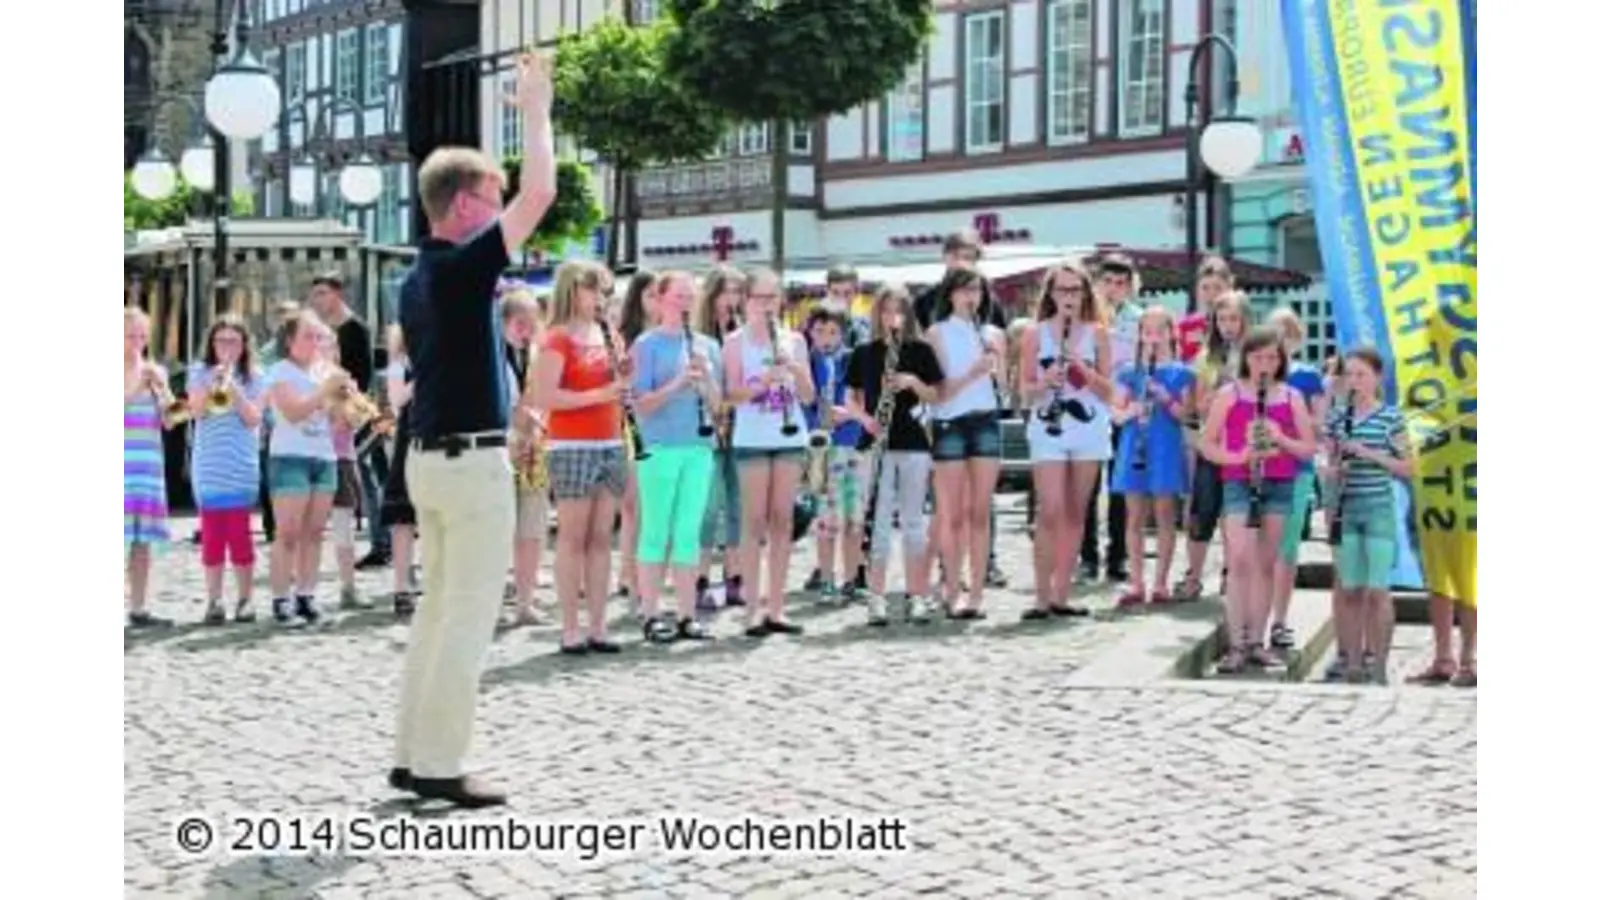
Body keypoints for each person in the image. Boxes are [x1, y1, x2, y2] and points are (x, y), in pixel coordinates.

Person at [389, 50, 557, 808]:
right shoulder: (460, 270)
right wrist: (536, 108)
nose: (501, 211)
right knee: (468, 616)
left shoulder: (414, 278)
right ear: (461, 205)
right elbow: (543, 191)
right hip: (467, 465)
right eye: (492, 198)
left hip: (433, 458)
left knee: (436, 612)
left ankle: (410, 753)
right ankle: (440, 763)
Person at [1201, 326, 1316, 674]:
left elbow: (1309, 448)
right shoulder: (1229, 393)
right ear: (1246, 359)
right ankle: (1236, 643)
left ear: (1280, 360)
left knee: (1266, 564)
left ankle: (1257, 642)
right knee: (1238, 561)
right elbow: (1207, 443)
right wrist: (1239, 457)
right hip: (1240, 481)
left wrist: (1280, 438)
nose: (1265, 364)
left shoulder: (1291, 396)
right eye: (1258, 357)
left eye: (1271, 357)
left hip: (1279, 481)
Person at [532, 261, 626, 654]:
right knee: (573, 537)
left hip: (610, 440)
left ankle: (599, 625)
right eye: (595, 291)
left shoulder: (609, 335)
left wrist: (622, 380)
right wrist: (597, 396)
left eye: (605, 292)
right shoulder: (557, 338)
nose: (601, 300)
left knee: (603, 538)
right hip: (571, 445)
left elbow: (615, 387)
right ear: (574, 291)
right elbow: (545, 397)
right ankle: (570, 625)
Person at [913, 229, 1010, 592]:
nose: (973, 295)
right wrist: (969, 373)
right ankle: (945, 573)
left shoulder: (991, 321)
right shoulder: (928, 311)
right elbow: (934, 382)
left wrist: (997, 367)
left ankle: (986, 565)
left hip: (984, 417)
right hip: (948, 418)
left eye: (970, 257)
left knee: (981, 506)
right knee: (947, 506)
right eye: (957, 255)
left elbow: (1004, 384)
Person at [630, 270, 722, 642]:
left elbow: (718, 406)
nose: (684, 302)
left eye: (690, 296)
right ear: (661, 298)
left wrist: (707, 380)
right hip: (660, 446)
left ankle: (687, 615)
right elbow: (642, 406)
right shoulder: (646, 344)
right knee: (655, 530)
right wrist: (678, 383)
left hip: (698, 446)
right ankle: (651, 613)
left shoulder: (706, 345)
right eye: (678, 295)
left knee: (688, 532)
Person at [1017, 261, 1112, 620]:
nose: (1069, 297)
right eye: (1062, 290)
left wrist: (1082, 371)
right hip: (1048, 427)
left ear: (1085, 293)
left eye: (1076, 290)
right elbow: (1024, 393)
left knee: (1076, 512)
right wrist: (1045, 382)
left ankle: (1062, 593)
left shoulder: (1097, 334)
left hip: (1087, 427)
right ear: (1051, 294)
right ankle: (1041, 596)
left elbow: (1109, 390)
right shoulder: (1033, 334)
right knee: (1050, 510)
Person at [724, 266, 815, 637]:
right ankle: (751, 608)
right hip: (752, 435)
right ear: (746, 301)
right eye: (760, 298)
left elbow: (809, 396)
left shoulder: (794, 340)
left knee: (783, 522)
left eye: (773, 298)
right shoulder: (735, 342)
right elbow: (730, 394)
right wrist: (762, 382)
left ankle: (777, 606)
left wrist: (794, 369)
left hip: (790, 435)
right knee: (754, 521)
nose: (767, 305)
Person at [847, 284, 944, 625]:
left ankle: (917, 596)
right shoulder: (864, 352)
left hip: (914, 443)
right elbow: (851, 398)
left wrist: (913, 383)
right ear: (878, 314)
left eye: (898, 311)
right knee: (880, 523)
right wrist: (865, 420)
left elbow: (937, 395)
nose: (892, 317)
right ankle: (876, 598)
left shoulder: (920, 351)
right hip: (878, 444)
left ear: (908, 314)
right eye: (886, 311)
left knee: (914, 523)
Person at [1321, 348, 1413, 684]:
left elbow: (1409, 468)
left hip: (1377, 510)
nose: (1355, 381)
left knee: (1377, 590)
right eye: (1350, 375)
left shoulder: (1391, 418)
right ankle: (1353, 661)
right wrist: (1332, 469)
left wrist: (1369, 453)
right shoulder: (1335, 418)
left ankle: (1379, 665)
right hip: (1346, 509)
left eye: (1362, 375)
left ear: (1377, 378)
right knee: (1350, 589)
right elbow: (1326, 463)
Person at [1108, 308, 1194, 607]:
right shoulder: (1130, 372)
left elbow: (1185, 414)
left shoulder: (1182, 372)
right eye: (1148, 331)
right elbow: (1116, 414)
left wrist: (1164, 396)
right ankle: (1136, 581)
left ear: (1172, 333)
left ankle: (1160, 582)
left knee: (1165, 515)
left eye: (1160, 330)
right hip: (1135, 445)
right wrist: (1132, 409)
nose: (1154, 337)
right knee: (1134, 517)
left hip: (1165, 447)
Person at [262, 309, 342, 628]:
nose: (315, 342)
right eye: (308, 336)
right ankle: (281, 598)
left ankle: (306, 594)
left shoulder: (326, 370)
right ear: (291, 340)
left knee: (315, 532)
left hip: (324, 456)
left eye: (318, 336)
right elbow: (293, 412)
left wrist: (345, 403)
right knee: (288, 532)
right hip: (289, 455)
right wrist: (325, 391)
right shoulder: (280, 371)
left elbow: (336, 422)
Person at [186, 315, 266, 624]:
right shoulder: (198, 372)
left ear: (244, 345)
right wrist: (211, 383)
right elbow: (196, 410)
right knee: (212, 535)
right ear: (212, 344)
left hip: (240, 465)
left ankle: (245, 600)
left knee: (240, 534)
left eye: (234, 341)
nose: (227, 347)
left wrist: (233, 388)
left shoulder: (256, 376)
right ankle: (214, 600)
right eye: (221, 341)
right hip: (209, 465)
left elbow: (253, 418)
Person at [307, 272, 389, 571]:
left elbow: (363, 377)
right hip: (332, 414)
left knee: (367, 476)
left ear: (337, 294)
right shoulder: (322, 330)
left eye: (323, 293)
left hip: (356, 413)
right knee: (361, 478)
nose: (318, 300)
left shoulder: (356, 329)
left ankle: (382, 542)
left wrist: (351, 411)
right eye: (315, 295)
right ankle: (379, 540)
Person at [1174, 290, 1251, 602]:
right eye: (1222, 319)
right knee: (1203, 509)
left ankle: (1232, 575)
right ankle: (1193, 576)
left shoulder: (1257, 354)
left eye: (1234, 319)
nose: (1228, 326)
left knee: (1238, 514)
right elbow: (1198, 406)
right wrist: (1217, 391)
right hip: (1213, 443)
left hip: (1245, 445)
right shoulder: (1205, 358)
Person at [1265, 307, 1327, 651]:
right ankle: (1254, 619)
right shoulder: (1256, 373)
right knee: (1258, 548)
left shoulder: (1307, 376)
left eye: (1286, 333)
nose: (1281, 340)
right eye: (1274, 332)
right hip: (1257, 469)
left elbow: (1319, 422)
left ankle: (1279, 620)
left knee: (1286, 549)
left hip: (1296, 469)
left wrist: (1292, 421)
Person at [1079, 253, 1143, 584]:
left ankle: (1117, 556)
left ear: (1130, 286)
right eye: (1108, 282)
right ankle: (1087, 555)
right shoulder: (1086, 318)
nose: (1114, 289)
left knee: (1120, 484)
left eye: (1121, 283)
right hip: (1091, 407)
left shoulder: (1139, 319)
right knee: (1088, 484)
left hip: (1124, 408)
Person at [804, 304, 870, 602]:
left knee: (854, 516)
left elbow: (867, 400)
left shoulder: (854, 360)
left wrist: (850, 413)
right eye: (819, 331)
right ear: (810, 333)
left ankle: (852, 579)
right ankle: (827, 579)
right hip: (821, 449)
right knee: (825, 517)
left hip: (852, 443)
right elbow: (802, 403)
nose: (826, 338)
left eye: (833, 332)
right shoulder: (805, 363)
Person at [695, 266, 747, 610]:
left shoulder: (744, 335)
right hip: (706, 428)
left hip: (742, 426)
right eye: (727, 291)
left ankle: (734, 578)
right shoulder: (698, 335)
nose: (733, 299)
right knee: (709, 507)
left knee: (738, 506)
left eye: (738, 292)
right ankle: (699, 580)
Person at [500, 287, 548, 628]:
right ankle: (493, 601)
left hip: (534, 450)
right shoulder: (489, 358)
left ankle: (525, 602)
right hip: (500, 450)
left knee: (532, 529)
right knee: (499, 530)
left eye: (532, 323)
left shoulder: (538, 356)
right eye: (520, 323)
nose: (527, 330)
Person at [125, 307, 174, 629]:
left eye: (143, 336)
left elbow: (171, 421)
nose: (138, 343)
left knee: (142, 542)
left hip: (148, 467)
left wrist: (163, 393)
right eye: (131, 336)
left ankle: (139, 607)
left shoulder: (155, 370)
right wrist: (134, 390)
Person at [320, 327, 371, 611]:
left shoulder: (345, 380)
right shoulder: (311, 380)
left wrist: (353, 402)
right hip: (317, 457)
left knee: (344, 526)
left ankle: (348, 586)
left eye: (332, 346)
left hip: (343, 457)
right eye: (323, 345)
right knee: (308, 528)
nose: (329, 351)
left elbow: (360, 417)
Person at [378, 324, 419, 619]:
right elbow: (397, 401)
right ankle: (401, 586)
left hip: (436, 436)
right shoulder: (399, 365)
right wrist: (423, 378)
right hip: (410, 437)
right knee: (403, 517)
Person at [1177, 256, 1234, 363]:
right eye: (1205, 288)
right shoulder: (1185, 326)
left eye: (1218, 287)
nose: (1211, 294)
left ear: (1229, 288)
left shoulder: (1238, 324)